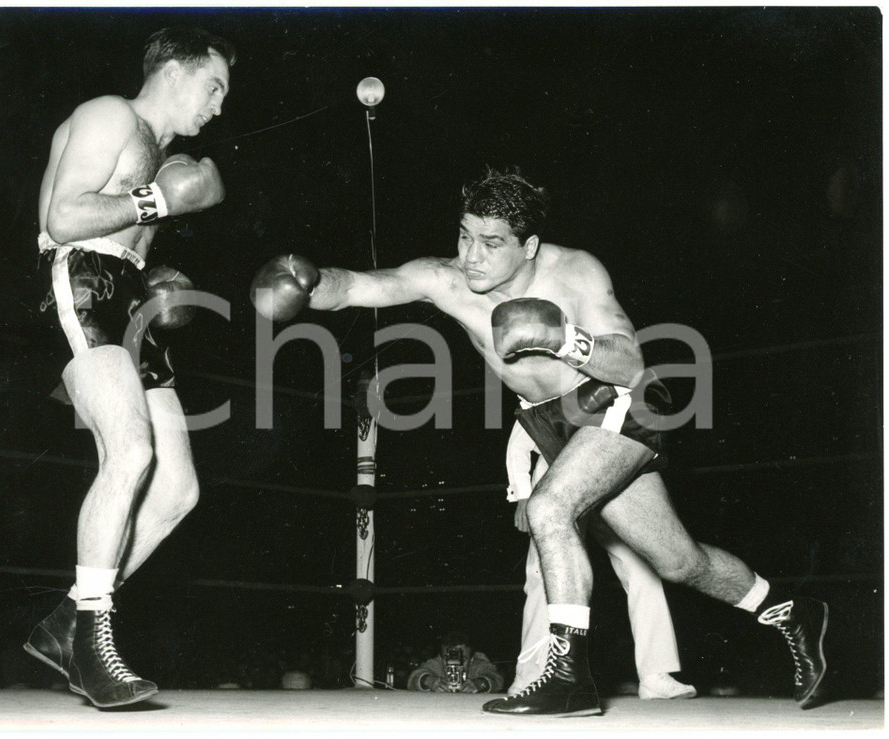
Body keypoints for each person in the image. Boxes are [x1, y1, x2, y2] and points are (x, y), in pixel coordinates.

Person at [250, 168, 829, 717]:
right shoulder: (448, 278)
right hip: (549, 422)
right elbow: (364, 286)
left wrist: (561, 339)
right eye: (465, 235)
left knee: (551, 508)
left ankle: (567, 678)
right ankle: (793, 612)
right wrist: (307, 285)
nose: (471, 255)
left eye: (491, 242)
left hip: (613, 400)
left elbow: (631, 364)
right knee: (679, 561)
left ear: (527, 247)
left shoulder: (576, 273)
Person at [24, 26, 233, 708]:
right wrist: (160, 202)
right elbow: (63, 214)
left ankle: (66, 622)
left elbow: (132, 232)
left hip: (132, 299)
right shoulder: (111, 115)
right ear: (175, 69)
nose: (219, 106)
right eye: (214, 86)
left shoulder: (165, 150)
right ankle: (90, 641)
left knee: (176, 488)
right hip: (81, 283)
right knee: (131, 450)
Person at [506, 420, 695, 699]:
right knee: (545, 576)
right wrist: (522, 495)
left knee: (643, 569)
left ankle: (656, 675)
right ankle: (529, 677)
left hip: (611, 475)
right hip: (558, 474)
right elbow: (520, 441)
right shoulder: (559, 383)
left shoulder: (616, 389)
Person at [407, 631, 505, 694]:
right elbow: (414, 677)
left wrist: (480, 684)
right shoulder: (436, 663)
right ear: (441, 657)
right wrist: (429, 681)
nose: (455, 663)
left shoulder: (478, 664)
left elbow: (497, 678)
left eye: (463, 658)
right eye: (449, 658)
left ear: (471, 658)